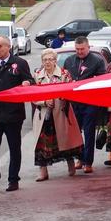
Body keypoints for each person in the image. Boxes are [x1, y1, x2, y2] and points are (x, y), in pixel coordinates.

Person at [0, 36, 33, 192]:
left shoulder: (19, 63)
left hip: (13, 114)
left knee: (14, 148)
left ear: (8, 47)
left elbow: (30, 81)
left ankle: (13, 179)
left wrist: (27, 83)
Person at [31, 49, 83, 181]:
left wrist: (62, 97)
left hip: (61, 113)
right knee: (42, 143)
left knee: (65, 140)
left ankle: (71, 164)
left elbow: (72, 91)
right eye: (45, 60)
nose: (47, 62)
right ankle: (43, 171)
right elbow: (32, 96)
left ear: (55, 61)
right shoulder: (37, 75)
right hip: (43, 115)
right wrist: (43, 102)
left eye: (50, 59)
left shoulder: (64, 74)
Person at [63, 36, 107, 174]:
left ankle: (88, 162)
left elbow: (101, 80)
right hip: (74, 101)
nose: (80, 52)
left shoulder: (98, 61)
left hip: (90, 102)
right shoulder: (69, 60)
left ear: (88, 47)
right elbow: (65, 78)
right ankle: (80, 158)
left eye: (82, 49)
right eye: (77, 49)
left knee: (88, 132)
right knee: (76, 133)